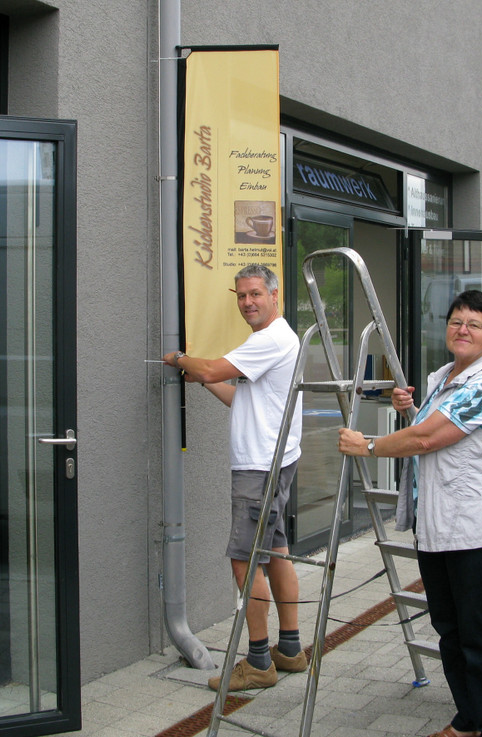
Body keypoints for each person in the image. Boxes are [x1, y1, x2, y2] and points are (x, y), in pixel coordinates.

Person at [338, 290, 482, 737]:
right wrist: (412, 411)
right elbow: (434, 431)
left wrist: (368, 445)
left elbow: (426, 440)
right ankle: (469, 721)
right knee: (451, 633)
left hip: (481, 534)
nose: (462, 330)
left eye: (474, 325)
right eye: (456, 321)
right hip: (439, 529)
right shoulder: (446, 376)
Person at [163, 264, 307, 691]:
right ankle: (291, 649)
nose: (247, 302)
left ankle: (258, 661)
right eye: (242, 295)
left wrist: (178, 359)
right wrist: (201, 379)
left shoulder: (270, 339)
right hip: (276, 461)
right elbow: (237, 395)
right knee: (276, 552)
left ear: (275, 296)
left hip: (259, 468)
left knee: (244, 560)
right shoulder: (276, 339)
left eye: (255, 294)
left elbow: (211, 369)